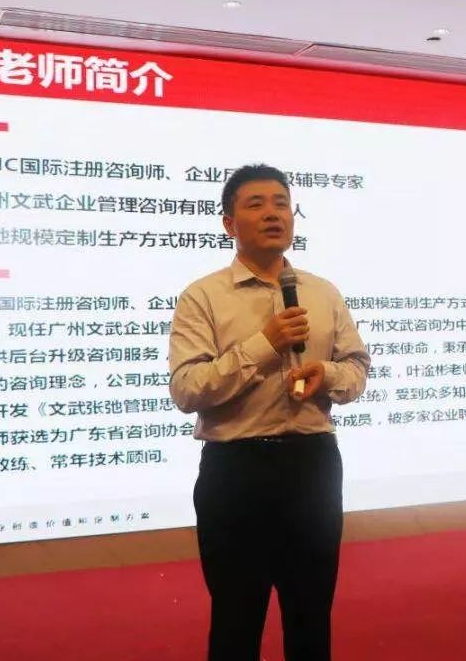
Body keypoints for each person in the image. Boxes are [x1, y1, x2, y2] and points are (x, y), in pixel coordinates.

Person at [168, 163, 370, 660]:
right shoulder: (203, 296)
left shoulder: (323, 292)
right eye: (255, 204)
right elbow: (187, 389)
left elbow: (356, 367)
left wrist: (328, 374)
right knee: (236, 621)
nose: (273, 214)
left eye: (282, 204)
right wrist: (265, 344)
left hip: (312, 466)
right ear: (228, 223)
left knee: (311, 616)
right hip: (237, 471)